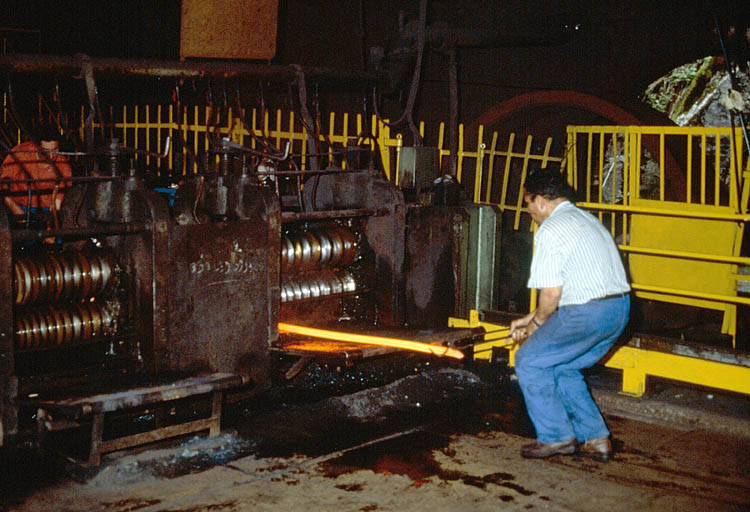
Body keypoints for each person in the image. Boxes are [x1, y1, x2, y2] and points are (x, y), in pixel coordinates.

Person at [509, 168, 630, 462]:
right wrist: (530, 318)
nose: (529, 212)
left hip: (586, 312)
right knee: (563, 367)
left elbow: (551, 294)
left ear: (538, 200)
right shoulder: (585, 219)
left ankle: (556, 437)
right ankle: (597, 438)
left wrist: (536, 325)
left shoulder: (551, 228)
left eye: (527, 204)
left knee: (529, 361)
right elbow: (570, 286)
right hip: (618, 309)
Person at [1, 124, 72, 240]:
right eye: (46, 151)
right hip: (19, 204)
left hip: (46, 210)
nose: (51, 156)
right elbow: (3, 187)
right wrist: (16, 211)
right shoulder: (19, 154)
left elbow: (56, 204)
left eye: (54, 151)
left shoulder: (62, 166)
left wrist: (50, 231)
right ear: (36, 147)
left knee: (55, 240)